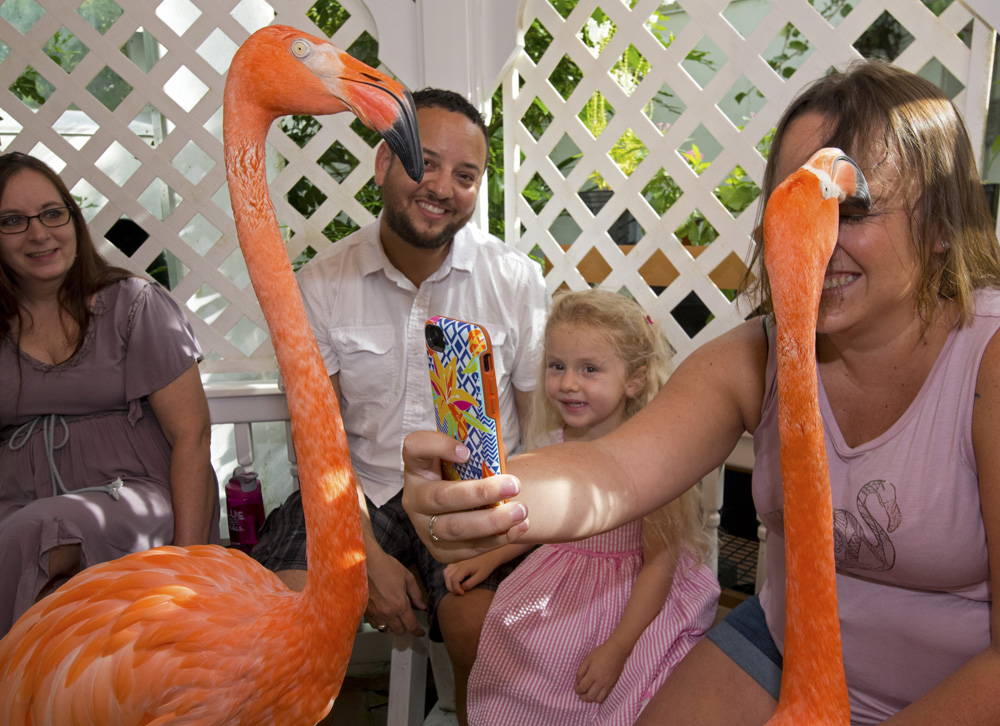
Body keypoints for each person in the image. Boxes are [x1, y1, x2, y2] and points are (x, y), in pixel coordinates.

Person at [401, 58, 1000, 725]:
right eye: (789, 207)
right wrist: (485, 498)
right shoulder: (755, 354)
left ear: (943, 226)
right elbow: (614, 471)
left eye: (852, 209)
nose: (816, 239)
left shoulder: (990, 362)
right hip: (784, 649)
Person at [249, 88, 548, 722]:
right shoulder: (324, 283)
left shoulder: (515, 282)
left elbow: (543, 431)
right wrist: (366, 558)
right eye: (425, 163)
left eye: (464, 175)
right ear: (384, 164)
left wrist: (505, 537)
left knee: (486, 629)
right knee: (277, 612)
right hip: (357, 494)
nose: (441, 186)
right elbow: (318, 441)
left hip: (477, 504)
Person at [443, 289, 720, 725]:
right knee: (521, 649)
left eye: (589, 369)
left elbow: (660, 562)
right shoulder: (557, 445)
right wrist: (491, 556)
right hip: (563, 576)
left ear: (634, 379)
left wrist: (619, 647)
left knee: (607, 685)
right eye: (558, 367)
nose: (568, 383)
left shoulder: (652, 456)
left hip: (634, 596)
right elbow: (537, 523)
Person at [0, 152, 218, 637]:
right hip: (16, 506)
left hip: (131, 497)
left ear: (73, 221)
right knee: (51, 613)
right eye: (13, 221)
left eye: (52, 214)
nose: (39, 233)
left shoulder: (134, 305)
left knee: (35, 531)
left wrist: (186, 565)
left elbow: (192, 436)